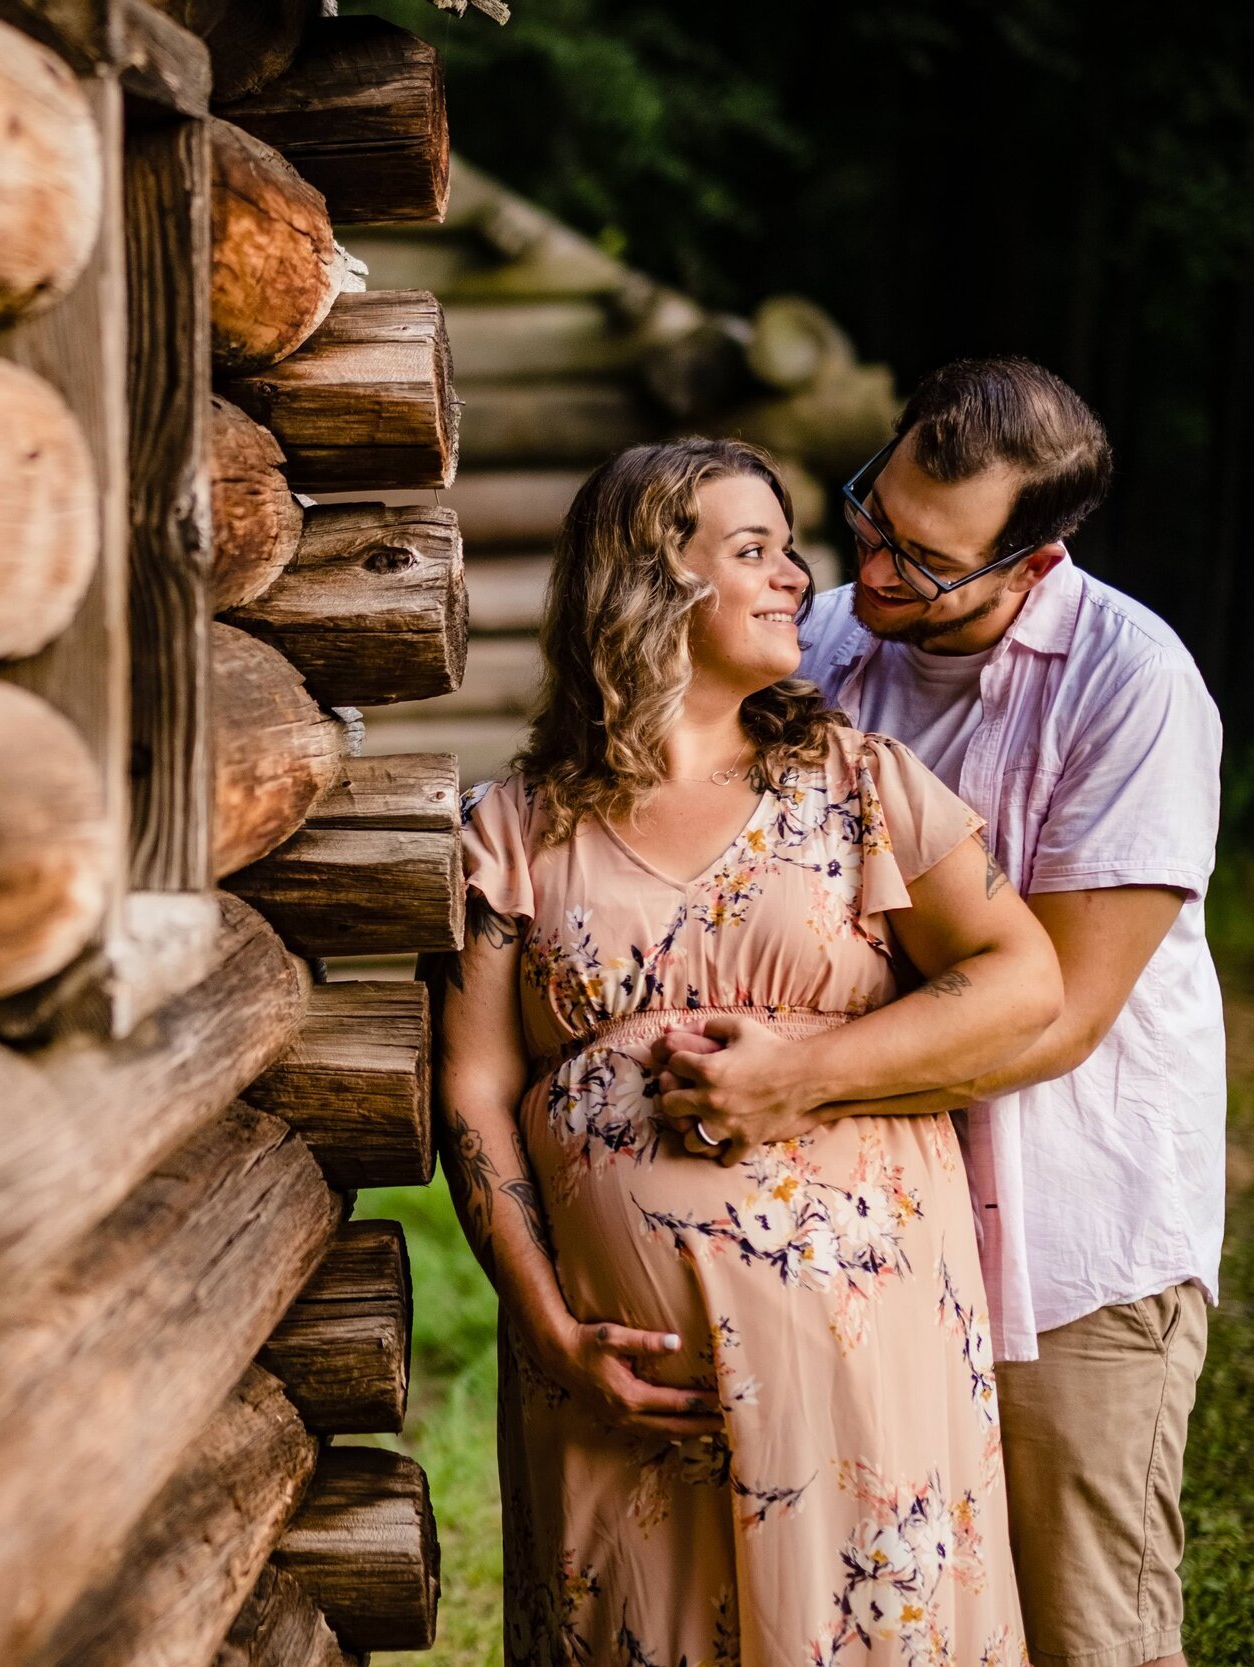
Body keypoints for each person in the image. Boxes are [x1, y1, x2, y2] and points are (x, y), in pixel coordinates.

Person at [434, 436, 1064, 1664]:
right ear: (650, 579)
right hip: (622, 1392)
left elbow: (1021, 977)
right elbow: (473, 1083)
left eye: (787, 548)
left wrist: (803, 1073)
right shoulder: (511, 830)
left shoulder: (855, 783)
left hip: (858, 1350)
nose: (797, 577)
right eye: (753, 549)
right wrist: (554, 1329)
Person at [657, 359, 1226, 1667]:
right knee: (901, 1607)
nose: (876, 567)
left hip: (1068, 1241)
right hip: (857, 1226)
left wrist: (796, 1073)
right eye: (872, 513)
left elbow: (1062, 1013)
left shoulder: (1133, 686)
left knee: (1088, 1619)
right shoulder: (835, 644)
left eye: (927, 558)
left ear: (1031, 565)